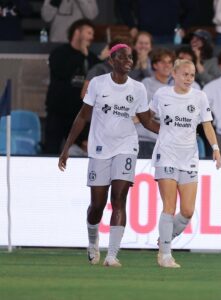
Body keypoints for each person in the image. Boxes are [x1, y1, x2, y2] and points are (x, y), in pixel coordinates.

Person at [58, 44, 160, 267]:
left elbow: (146, 121)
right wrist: (67, 148)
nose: (129, 61)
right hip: (100, 149)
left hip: (126, 147)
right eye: (123, 57)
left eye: (131, 58)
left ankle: (112, 255)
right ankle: (93, 242)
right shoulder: (97, 84)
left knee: (119, 199)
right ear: (112, 60)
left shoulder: (138, 89)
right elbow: (83, 116)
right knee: (97, 204)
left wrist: (171, 132)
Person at [150, 59, 221, 268]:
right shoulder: (162, 94)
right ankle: (165, 255)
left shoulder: (200, 97)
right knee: (169, 207)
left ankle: (164, 239)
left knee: (188, 211)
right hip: (166, 155)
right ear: (174, 73)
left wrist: (216, 149)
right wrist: (126, 120)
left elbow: (206, 125)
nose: (189, 79)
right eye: (185, 74)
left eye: (192, 75)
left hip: (189, 158)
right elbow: (147, 116)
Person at [44, 19, 99, 154]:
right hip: (57, 111)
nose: (91, 37)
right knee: (51, 149)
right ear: (77, 32)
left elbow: (98, 77)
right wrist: (81, 55)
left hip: (79, 114)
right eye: (89, 33)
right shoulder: (59, 53)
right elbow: (62, 71)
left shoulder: (91, 58)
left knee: (81, 150)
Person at [115, 0, 194, 44]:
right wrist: (131, 26)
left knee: (169, 67)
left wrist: (184, 27)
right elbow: (123, 5)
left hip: (170, 37)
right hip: (145, 36)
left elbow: (192, 8)